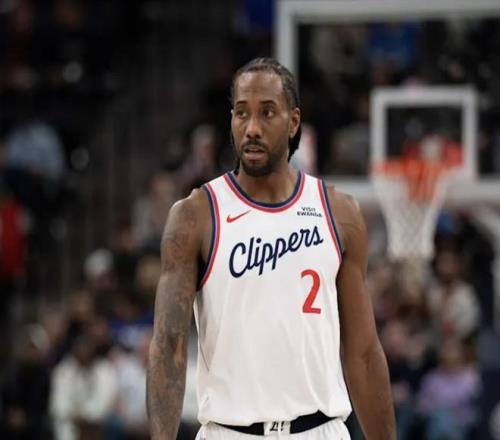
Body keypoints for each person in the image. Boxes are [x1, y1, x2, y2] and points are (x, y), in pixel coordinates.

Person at [147, 57, 395, 439]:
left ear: (293, 122)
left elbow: (363, 353)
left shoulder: (339, 213)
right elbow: (169, 347)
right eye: (241, 113)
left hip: (321, 429)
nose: (252, 128)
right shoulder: (196, 216)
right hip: (229, 431)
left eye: (266, 113)